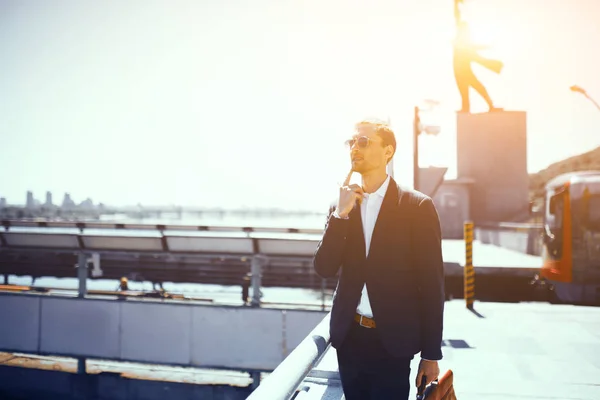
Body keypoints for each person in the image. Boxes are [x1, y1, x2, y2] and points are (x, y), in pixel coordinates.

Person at [313, 119, 445, 399]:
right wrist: (341, 215)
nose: (354, 149)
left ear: (388, 151)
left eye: (363, 142)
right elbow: (324, 268)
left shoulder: (417, 206)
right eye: (352, 142)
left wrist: (431, 355)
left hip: (394, 342)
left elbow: (432, 284)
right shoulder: (342, 205)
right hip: (349, 338)